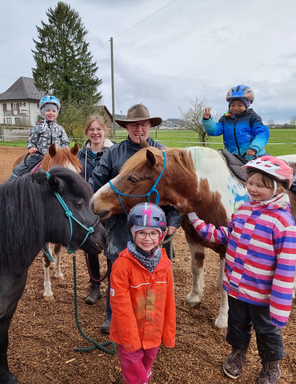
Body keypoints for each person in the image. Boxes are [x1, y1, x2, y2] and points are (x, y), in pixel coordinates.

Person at [187, 156, 296, 384]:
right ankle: (238, 353)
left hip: (262, 295)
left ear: (278, 189)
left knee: (267, 331)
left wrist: (280, 304)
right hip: (236, 287)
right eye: (250, 183)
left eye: (261, 186)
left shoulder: (282, 223)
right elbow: (227, 236)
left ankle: (270, 365)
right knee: (237, 324)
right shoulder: (242, 210)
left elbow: (286, 268)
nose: (253, 189)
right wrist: (197, 223)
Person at [89, 103, 181, 334]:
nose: (138, 129)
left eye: (143, 124)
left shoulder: (165, 155)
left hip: (153, 226)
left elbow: (176, 194)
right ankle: (113, 315)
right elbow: (96, 182)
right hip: (120, 225)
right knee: (118, 272)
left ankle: (150, 317)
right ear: (127, 127)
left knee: (153, 275)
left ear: (150, 126)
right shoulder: (114, 153)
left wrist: (173, 220)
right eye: (133, 125)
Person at [202, 84, 296, 204]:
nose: (235, 108)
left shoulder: (253, 118)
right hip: (232, 155)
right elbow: (214, 131)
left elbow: (262, 133)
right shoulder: (225, 119)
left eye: (239, 105)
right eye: (232, 105)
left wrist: (254, 147)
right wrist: (208, 120)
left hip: (253, 155)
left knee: (280, 167)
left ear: (247, 104)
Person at [110, 202, 176, 384]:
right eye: (142, 233)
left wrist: (168, 334)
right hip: (128, 334)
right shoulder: (122, 265)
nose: (148, 238)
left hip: (154, 332)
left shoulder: (165, 264)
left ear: (161, 235)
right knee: (135, 370)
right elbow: (120, 306)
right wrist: (130, 339)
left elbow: (169, 302)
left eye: (153, 233)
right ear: (133, 233)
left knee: (146, 365)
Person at [77, 115, 114, 305]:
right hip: (88, 207)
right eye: (91, 129)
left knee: (109, 246)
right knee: (91, 246)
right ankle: (95, 285)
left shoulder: (113, 151)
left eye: (99, 129)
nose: (95, 132)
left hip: (108, 207)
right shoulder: (80, 155)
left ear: (104, 131)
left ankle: (111, 287)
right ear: (87, 132)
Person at [9, 95, 69, 179]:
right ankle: (8, 188)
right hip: (39, 157)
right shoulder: (37, 127)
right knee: (18, 170)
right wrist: (32, 147)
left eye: (53, 111)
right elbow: (31, 141)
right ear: (42, 111)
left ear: (57, 113)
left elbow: (65, 143)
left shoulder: (60, 129)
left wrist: (62, 152)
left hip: (57, 159)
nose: (51, 113)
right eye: (48, 110)